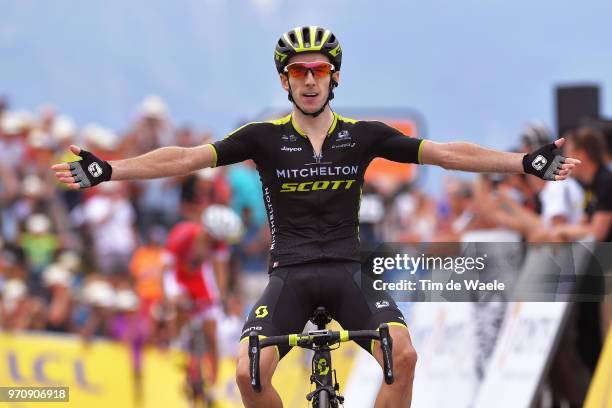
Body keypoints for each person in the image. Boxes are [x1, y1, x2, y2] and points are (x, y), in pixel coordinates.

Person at [52, 26, 579, 408]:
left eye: (319, 70)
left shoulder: (365, 133)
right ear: (285, 81)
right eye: (298, 72)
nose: (309, 80)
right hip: (289, 275)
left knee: (405, 356)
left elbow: (444, 154)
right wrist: (108, 170)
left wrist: (522, 162)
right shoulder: (264, 136)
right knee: (246, 374)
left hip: (349, 270)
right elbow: (185, 158)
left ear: (334, 77)